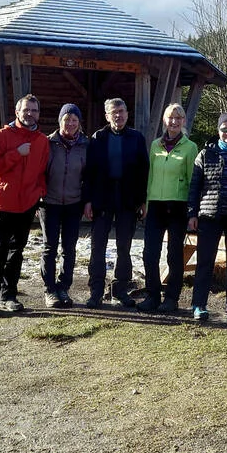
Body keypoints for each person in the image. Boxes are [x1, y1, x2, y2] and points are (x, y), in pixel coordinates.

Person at [0, 94, 50, 317]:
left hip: (27, 204)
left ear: (39, 114)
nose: (30, 114)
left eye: (34, 110)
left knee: (17, 251)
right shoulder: (2, 136)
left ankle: (9, 295)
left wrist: (40, 192)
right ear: (17, 112)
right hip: (4, 202)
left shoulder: (42, 141)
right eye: (26, 110)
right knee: (0, 250)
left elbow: (42, 172)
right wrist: (16, 154)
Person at [85, 98, 149, 308]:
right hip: (102, 198)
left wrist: (142, 201)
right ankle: (95, 291)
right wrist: (88, 200)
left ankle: (120, 290)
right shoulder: (98, 138)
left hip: (128, 198)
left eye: (122, 111)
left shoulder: (136, 138)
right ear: (107, 116)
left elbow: (143, 171)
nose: (118, 115)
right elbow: (89, 172)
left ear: (127, 114)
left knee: (124, 246)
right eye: (114, 112)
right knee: (98, 246)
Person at [137, 103, 199, 313]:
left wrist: (192, 211)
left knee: (174, 254)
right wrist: (145, 202)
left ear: (183, 121)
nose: (174, 122)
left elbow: (192, 181)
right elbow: (150, 176)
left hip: (178, 205)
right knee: (150, 253)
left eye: (178, 118)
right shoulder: (155, 145)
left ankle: (172, 298)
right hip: (155, 205)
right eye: (171, 118)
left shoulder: (190, 147)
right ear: (165, 120)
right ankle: (152, 295)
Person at [187, 113, 227, 322]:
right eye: (224, 129)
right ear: (218, 131)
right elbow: (194, 187)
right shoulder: (206, 154)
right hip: (209, 215)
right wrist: (191, 213)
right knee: (205, 261)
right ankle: (199, 305)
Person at [39, 103, 89, 309]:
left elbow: (89, 175)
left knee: (69, 248)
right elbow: (38, 171)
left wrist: (87, 201)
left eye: (74, 120)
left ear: (79, 123)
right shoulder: (48, 143)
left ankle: (63, 287)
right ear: (60, 121)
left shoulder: (85, 145)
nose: (70, 123)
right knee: (49, 247)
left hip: (73, 203)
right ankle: (50, 289)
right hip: (49, 203)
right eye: (66, 119)